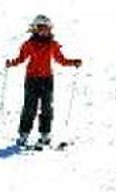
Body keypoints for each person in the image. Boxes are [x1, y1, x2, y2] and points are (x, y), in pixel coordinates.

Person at [5, 15, 82, 148]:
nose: (44, 31)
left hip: (47, 79)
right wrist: (12, 63)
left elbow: (60, 60)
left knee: (46, 108)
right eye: (41, 28)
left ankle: (45, 134)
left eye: (46, 28)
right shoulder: (29, 44)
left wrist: (73, 62)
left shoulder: (52, 44)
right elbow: (22, 58)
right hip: (31, 79)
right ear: (35, 29)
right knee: (29, 108)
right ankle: (23, 134)